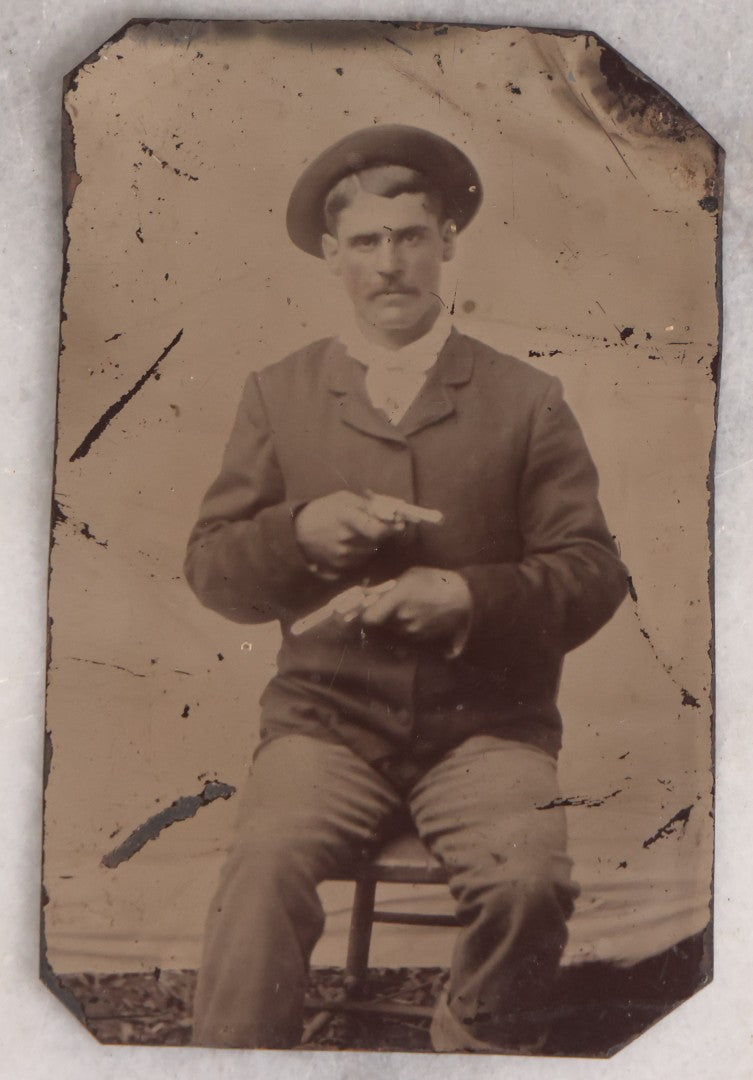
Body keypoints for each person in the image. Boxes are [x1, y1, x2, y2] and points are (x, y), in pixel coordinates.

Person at [184, 124, 628, 1052]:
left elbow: (591, 573)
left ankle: (469, 1052)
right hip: (324, 725)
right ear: (329, 255)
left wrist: (467, 598)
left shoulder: (525, 398)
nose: (389, 264)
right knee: (260, 871)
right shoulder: (280, 393)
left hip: (485, 727)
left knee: (527, 881)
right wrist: (300, 533)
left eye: (409, 237)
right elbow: (214, 571)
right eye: (364, 243)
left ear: (445, 243)